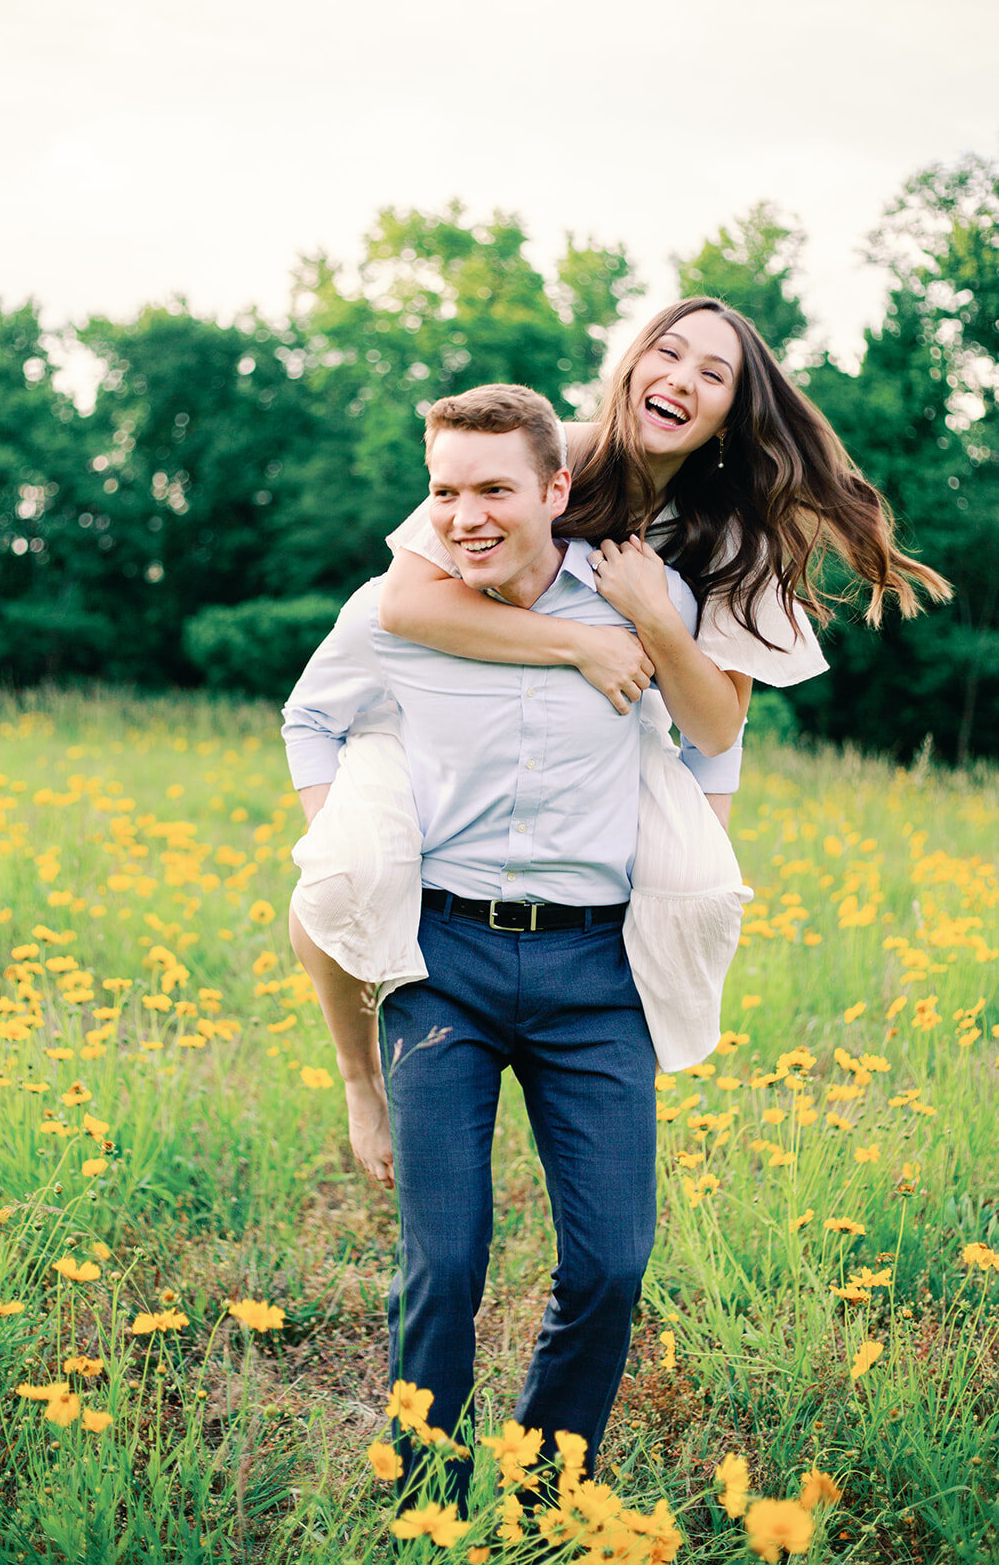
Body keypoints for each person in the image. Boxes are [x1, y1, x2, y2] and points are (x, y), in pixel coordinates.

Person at [287, 297, 951, 1192]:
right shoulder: (544, 454)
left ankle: (602, 1066)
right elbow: (405, 605)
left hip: (624, 734)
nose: (679, 379)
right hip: (451, 716)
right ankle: (360, 1077)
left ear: (729, 414)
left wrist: (653, 622)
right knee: (340, 867)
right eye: (666, 354)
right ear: (632, 364)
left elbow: (715, 728)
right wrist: (582, 642)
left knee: (695, 897)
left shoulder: (733, 535)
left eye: (711, 374)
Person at [282, 383, 720, 1504]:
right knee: (444, 1260)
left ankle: (543, 1485)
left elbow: (712, 731)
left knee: (612, 1262)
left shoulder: (640, 596)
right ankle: (423, 1499)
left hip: (597, 973)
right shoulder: (395, 608)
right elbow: (310, 715)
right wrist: (344, 845)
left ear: (555, 488)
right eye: (442, 492)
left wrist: (694, 849)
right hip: (445, 962)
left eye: (490, 489)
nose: (463, 516)